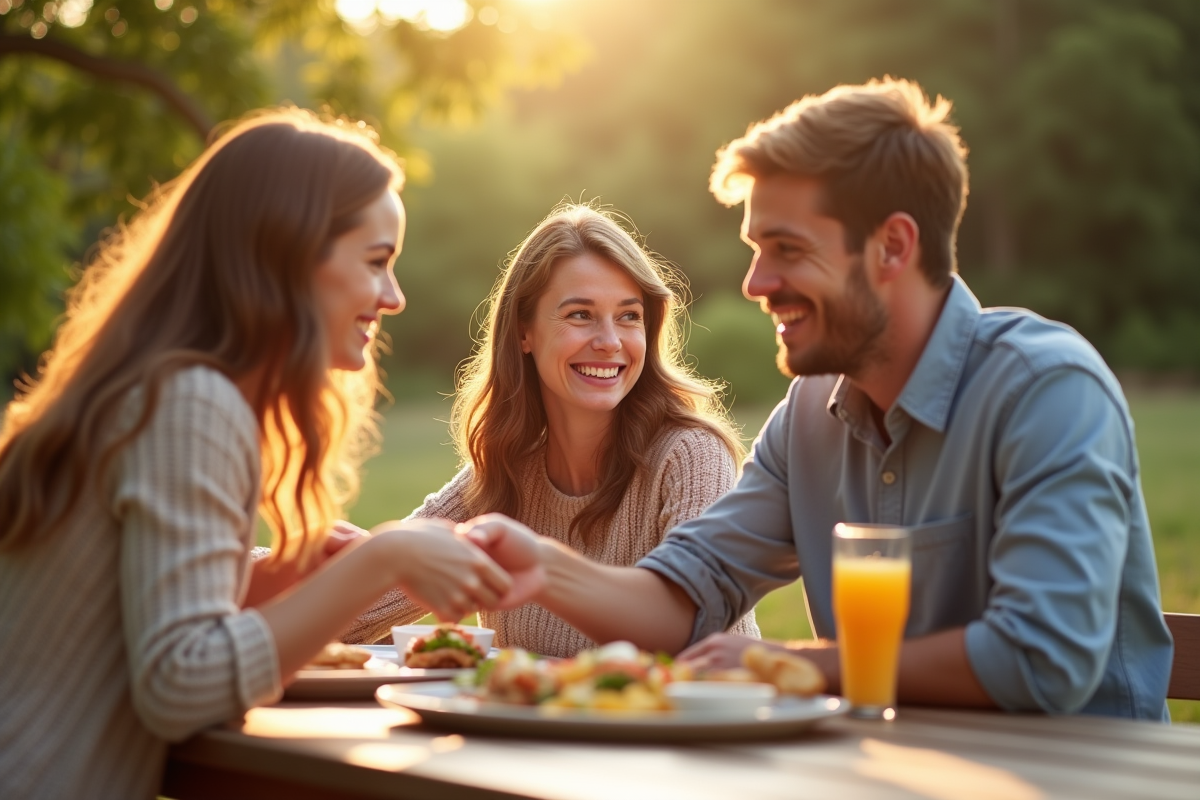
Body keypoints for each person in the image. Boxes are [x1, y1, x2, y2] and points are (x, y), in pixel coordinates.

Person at [463, 78, 1174, 719]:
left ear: (892, 247)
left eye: (786, 249)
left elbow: (1043, 659)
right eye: (754, 248)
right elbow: (681, 596)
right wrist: (542, 566)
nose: (755, 281)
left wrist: (796, 668)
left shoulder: (1047, 392)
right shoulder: (807, 418)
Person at [0, 109, 515, 799]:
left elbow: (114, 594)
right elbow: (183, 687)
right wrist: (379, 560)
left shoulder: (150, 389)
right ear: (288, 256)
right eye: (376, 262)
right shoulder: (194, 405)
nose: (393, 297)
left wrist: (274, 574)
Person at [343, 204, 760, 657]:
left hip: (683, 726)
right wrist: (262, 562)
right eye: (580, 314)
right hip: (534, 728)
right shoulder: (505, 471)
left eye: (628, 316)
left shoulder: (691, 455)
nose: (609, 341)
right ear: (525, 332)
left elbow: (702, 633)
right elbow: (355, 609)